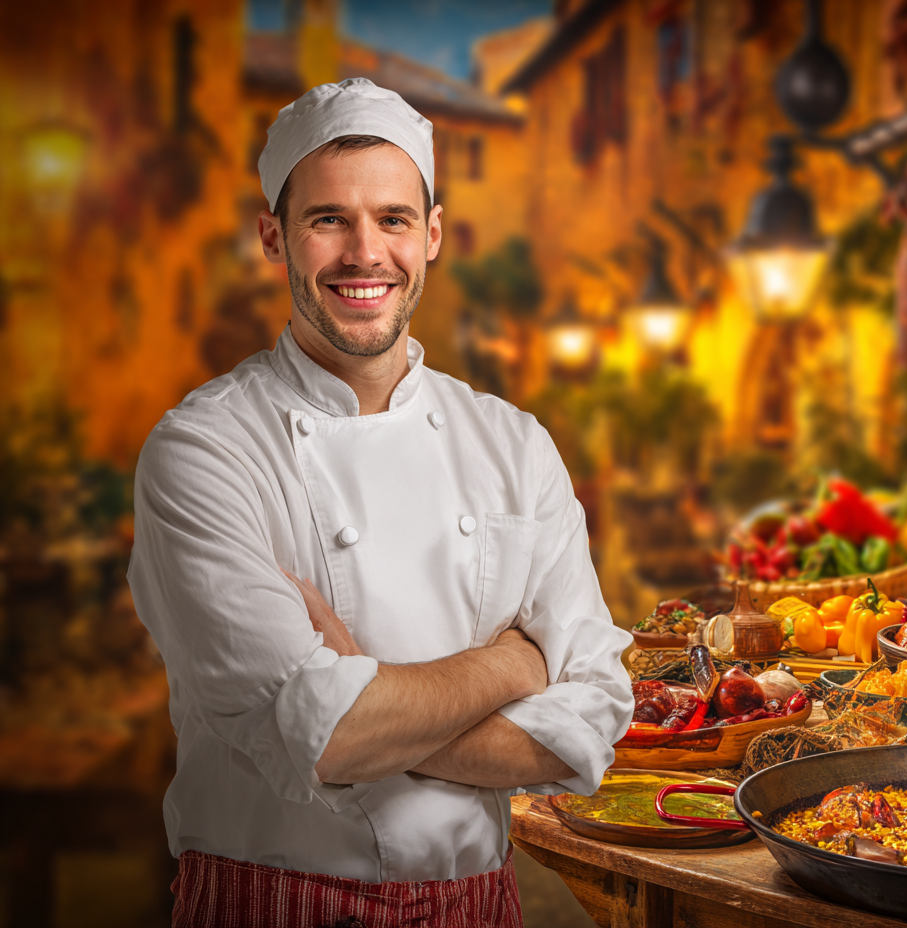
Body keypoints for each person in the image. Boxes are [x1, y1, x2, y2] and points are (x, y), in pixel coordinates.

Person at [128, 78, 634, 928]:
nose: (366, 253)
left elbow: (590, 722)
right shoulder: (204, 451)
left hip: (481, 906)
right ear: (273, 238)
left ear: (432, 236)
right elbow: (326, 738)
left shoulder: (513, 444)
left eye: (394, 219)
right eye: (328, 220)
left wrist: (364, 702)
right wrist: (513, 665)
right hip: (268, 908)